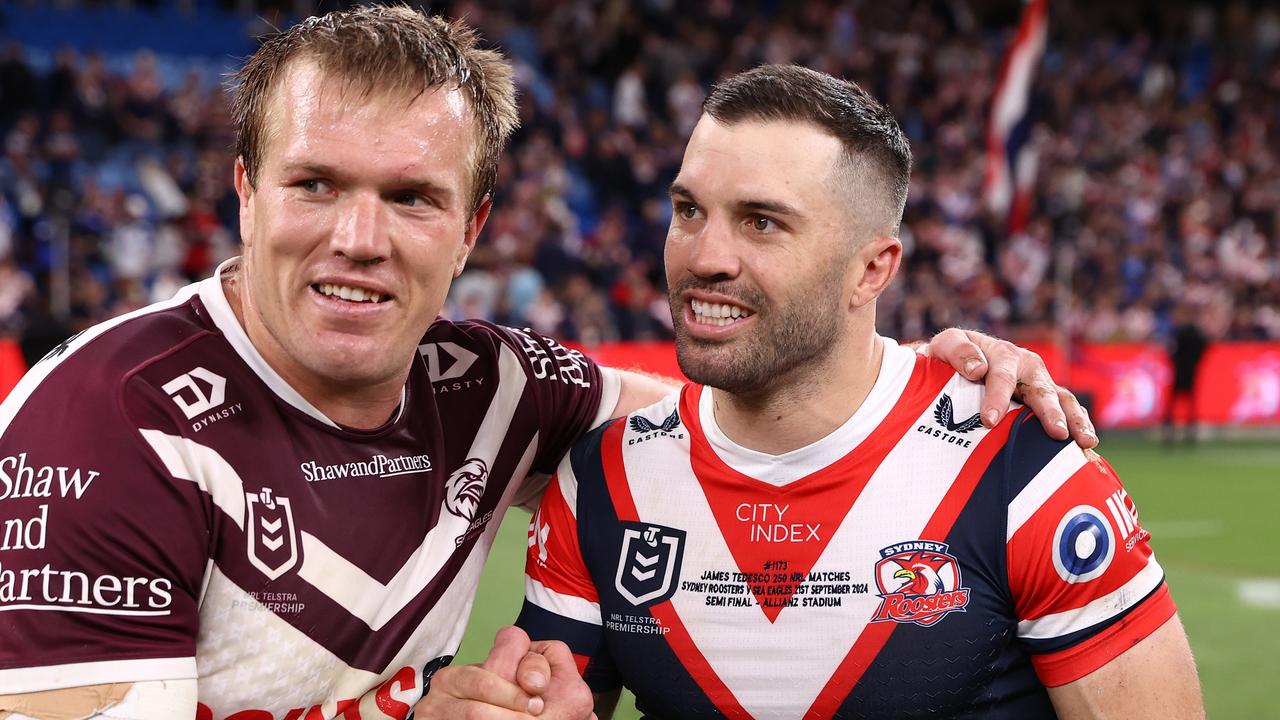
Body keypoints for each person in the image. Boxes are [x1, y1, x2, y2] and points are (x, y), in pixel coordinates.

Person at [0, 8, 1094, 720]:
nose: (358, 238)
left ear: (471, 229)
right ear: (244, 191)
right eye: (315, 183)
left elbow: (734, 410)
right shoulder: (105, 424)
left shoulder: (499, 389)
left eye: (411, 197)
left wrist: (927, 381)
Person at [518, 65, 1203, 719]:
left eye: (762, 221)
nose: (704, 257)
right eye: (689, 210)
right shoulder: (600, 480)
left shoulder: (1024, 472)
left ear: (873, 269)